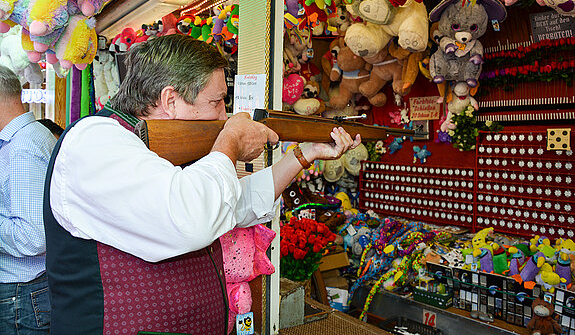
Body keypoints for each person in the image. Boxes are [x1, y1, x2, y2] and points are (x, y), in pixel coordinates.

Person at [44, 34, 361, 335]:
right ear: (170, 100)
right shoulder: (95, 143)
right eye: (217, 100)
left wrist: (304, 154)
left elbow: (231, 205)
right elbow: (191, 220)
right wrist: (231, 141)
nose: (224, 114)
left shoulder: (144, 149)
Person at [0, 65, 57, 334]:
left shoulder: (22, 147)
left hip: (21, 294)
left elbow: (33, 237)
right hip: (26, 293)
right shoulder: (26, 139)